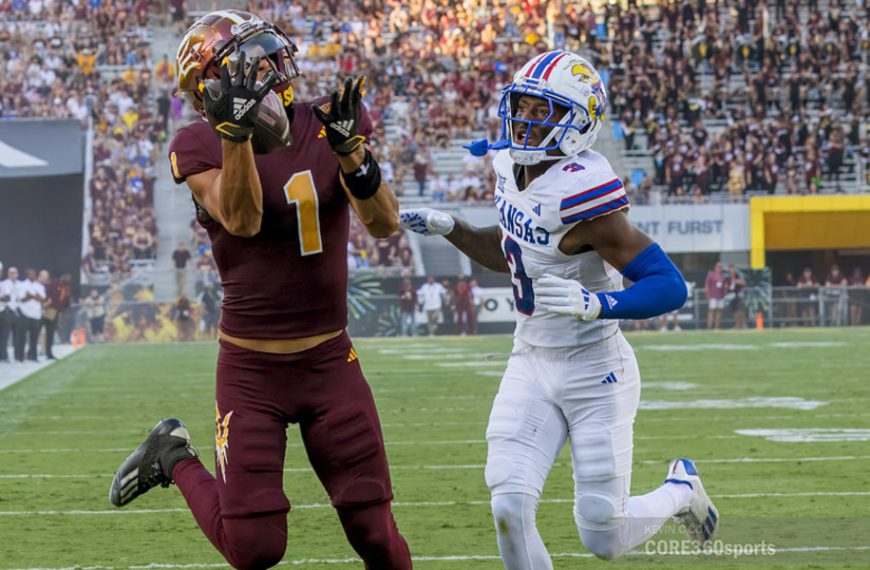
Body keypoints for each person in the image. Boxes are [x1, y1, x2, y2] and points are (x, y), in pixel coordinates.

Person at [109, 11, 411, 570]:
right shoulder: (196, 142)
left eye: (270, 54)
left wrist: (353, 156)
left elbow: (386, 223)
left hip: (329, 361)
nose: (272, 67)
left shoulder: (329, 120)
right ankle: (173, 455)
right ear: (215, 84)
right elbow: (243, 221)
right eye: (253, 62)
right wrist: (236, 136)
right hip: (251, 371)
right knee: (255, 548)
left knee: (376, 536)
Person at [400, 51, 717, 567]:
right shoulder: (507, 164)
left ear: (576, 126)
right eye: (521, 104)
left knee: (604, 538)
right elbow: (513, 255)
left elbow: (670, 285)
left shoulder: (583, 192)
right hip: (530, 360)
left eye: (541, 110)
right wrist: (452, 228)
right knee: (508, 505)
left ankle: (680, 490)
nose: (523, 118)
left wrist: (598, 303)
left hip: (596, 371)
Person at [19, 268, 45, 361]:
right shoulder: (22, 285)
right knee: (22, 336)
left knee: (34, 337)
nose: (32, 276)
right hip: (25, 313)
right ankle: (20, 357)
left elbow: (42, 298)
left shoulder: (39, 286)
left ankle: (33, 356)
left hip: (36, 314)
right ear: (27, 275)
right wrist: (34, 296)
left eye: (34, 274)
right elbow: (22, 298)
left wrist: (31, 296)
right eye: (30, 274)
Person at [724, 264, 746, 329]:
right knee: (734, 311)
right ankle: (737, 325)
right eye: (730, 270)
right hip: (731, 296)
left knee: (740, 311)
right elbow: (725, 287)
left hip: (738, 295)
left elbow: (743, 283)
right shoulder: (727, 278)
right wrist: (727, 287)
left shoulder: (738, 276)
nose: (731, 271)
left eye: (732, 270)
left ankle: (743, 324)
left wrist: (736, 281)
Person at [705, 261, 725, 329]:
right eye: (718, 267)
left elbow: (724, 286)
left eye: (720, 267)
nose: (719, 268)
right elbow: (707, 285)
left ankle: (717, 327)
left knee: (719, 311)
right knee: (711, 310)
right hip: (713, 296)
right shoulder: (711, 275)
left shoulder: (722, 276)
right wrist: (707, 295)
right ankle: (709, 326)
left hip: (720, 296)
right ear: (715, 267)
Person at [0, 263, 14, 362]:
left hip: (3, 311)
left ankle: (3, 355)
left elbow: (8, 298)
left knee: (4, 335)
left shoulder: (3, 284)